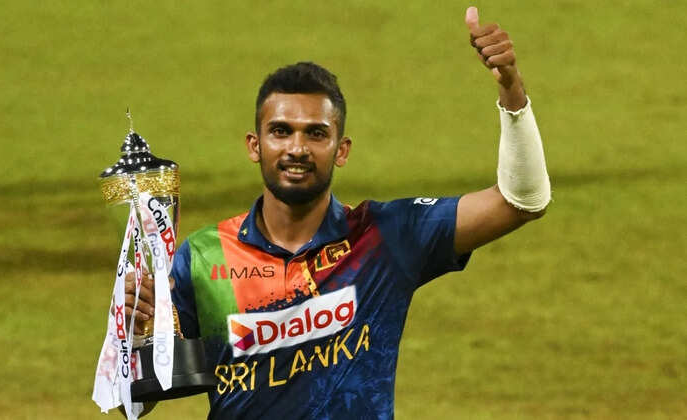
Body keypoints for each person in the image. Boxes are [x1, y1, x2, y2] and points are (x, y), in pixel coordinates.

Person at [125, 6, 550, 419]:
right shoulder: (203, 256)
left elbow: (522, 200)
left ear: (341, 150)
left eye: (316, 133)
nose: (296, 148)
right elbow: (140, 400)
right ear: (255, 145)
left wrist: (511, 90)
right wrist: (138, 330)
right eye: (280, 131)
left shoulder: (385, 236)